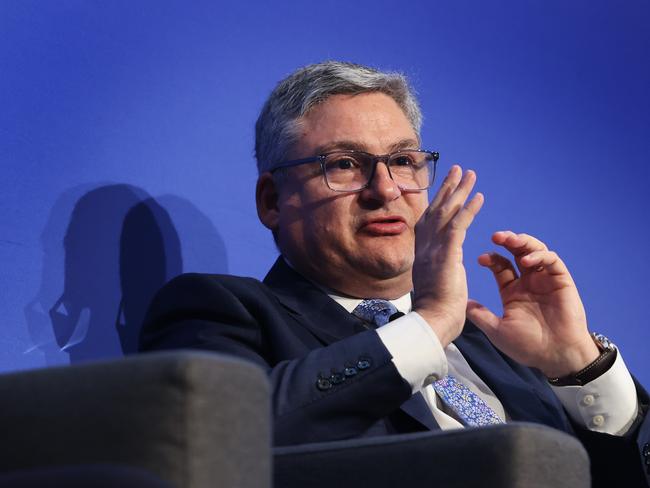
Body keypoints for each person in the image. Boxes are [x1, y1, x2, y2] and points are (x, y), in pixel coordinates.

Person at [140, 61, 649, 486]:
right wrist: (429, 326)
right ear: (273, 201)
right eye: (343, 164)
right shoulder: (222, 313)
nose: (385, 189)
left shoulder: (501, 347)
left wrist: (579, 368)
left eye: (403, 160)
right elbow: (221, 441)